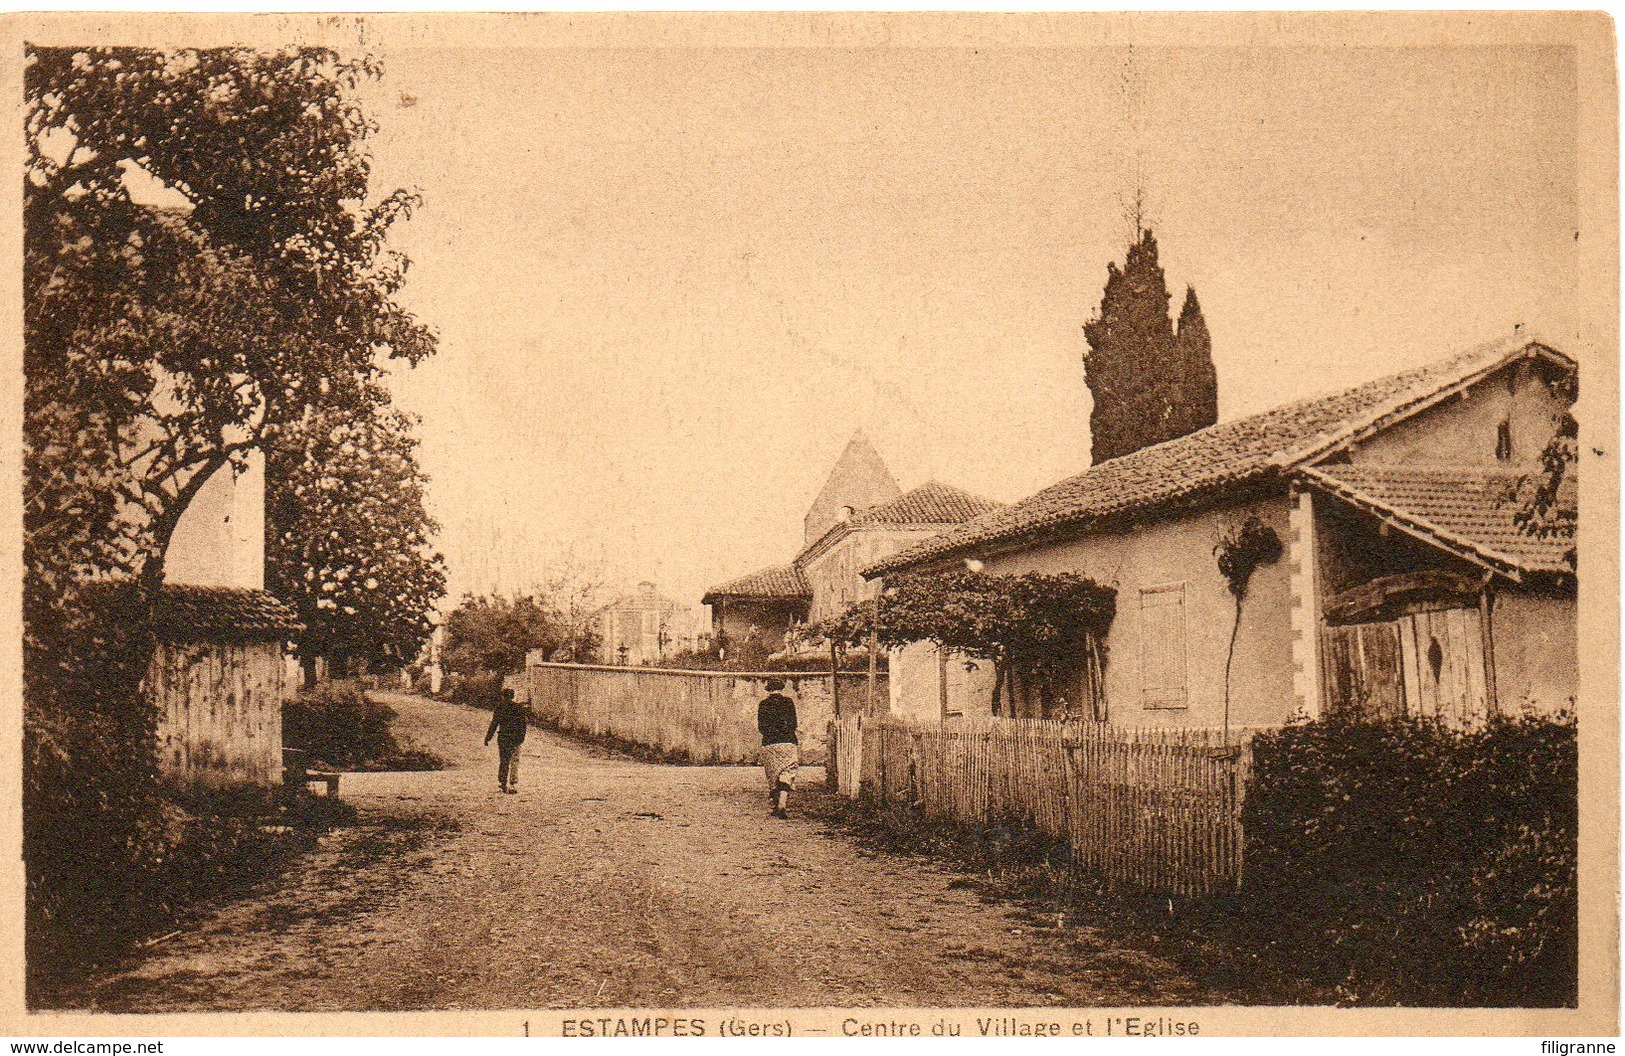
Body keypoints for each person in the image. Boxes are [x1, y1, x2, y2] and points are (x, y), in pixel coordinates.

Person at [757, 677, 799, 819]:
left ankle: (776, 805)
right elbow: (793, 724)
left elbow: (761, 727)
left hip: (770, 743)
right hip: (787, 742)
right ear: (782, 689)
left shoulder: (763, 704)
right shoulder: (788, 702)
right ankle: (782, 803)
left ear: (768, 690)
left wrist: (772, 733)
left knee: (773, 775)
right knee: (787, 772)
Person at [484, 687, 529, 794]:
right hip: (515, 738)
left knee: (504, 760)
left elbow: (494, 724)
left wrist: (488, 738)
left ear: (503, 696)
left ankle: (503, 783)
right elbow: (523, 725)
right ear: (513, 696)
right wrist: (521, 738)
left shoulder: (500, 708)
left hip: (504, 738)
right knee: (514, 761)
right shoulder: (519, 708)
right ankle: (512, 784)